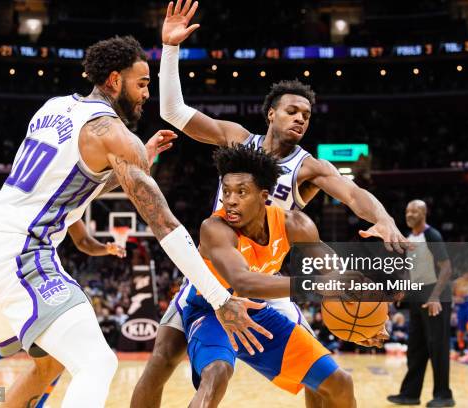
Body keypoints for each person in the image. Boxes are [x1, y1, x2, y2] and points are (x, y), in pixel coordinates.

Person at [0, 35, 270, 408]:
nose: (146, 94)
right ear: (114, 80)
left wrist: (141, 158)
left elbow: (65, 182)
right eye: (141, 84)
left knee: (49, 368)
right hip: (22, 252)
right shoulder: (112, 133)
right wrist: (220, 299)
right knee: (98, 363)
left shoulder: (53, 107)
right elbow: (166, 226)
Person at [132, 2, 408, 406]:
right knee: (161, 361)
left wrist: (382, 219)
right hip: (213, 274)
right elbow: (173, 111)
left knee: (323, 379)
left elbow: (352, 194)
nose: (301, 119)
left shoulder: (307, 167)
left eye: (307, 115)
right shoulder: (236, 139)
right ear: (270, 114)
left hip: (269, 285)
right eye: (292, 111)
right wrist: (170, 50)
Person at [181, 143, 388, 407]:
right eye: (227, 192)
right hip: (212, 312)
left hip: (258, 313)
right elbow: (243, 282)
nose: (230, 200)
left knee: (339, 382)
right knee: (216, 374)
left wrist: (369, 314)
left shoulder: (295, 225)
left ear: (263, 196)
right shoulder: (214, 228)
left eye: (241, 192)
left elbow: (335, 274)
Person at [0, 219, 126, 404]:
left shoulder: (67, 196)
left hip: (0, 263)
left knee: (47, 353)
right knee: (58, 355)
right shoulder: (58, 189)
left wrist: (104, 248)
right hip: (19, 266)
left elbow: (83, 240)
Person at [388, 200, 455, 407]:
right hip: (418, 295)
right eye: (407, 210)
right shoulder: (409, 238)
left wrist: (434, 296)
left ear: (424, 213)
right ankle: (410, 394)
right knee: (416, 347)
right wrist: (403, 290)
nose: (409, 214)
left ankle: (444, 396)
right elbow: (411, 269)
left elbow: (446, 268)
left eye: (414, 211)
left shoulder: (432, 235)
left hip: (436, 294)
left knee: (438, 347)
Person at [452, 269, 468, 353]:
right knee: (461, 329)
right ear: (465, 273)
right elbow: (451, 296)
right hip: (460, 307)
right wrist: (455, 299)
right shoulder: (456, 282)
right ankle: (461, 347)